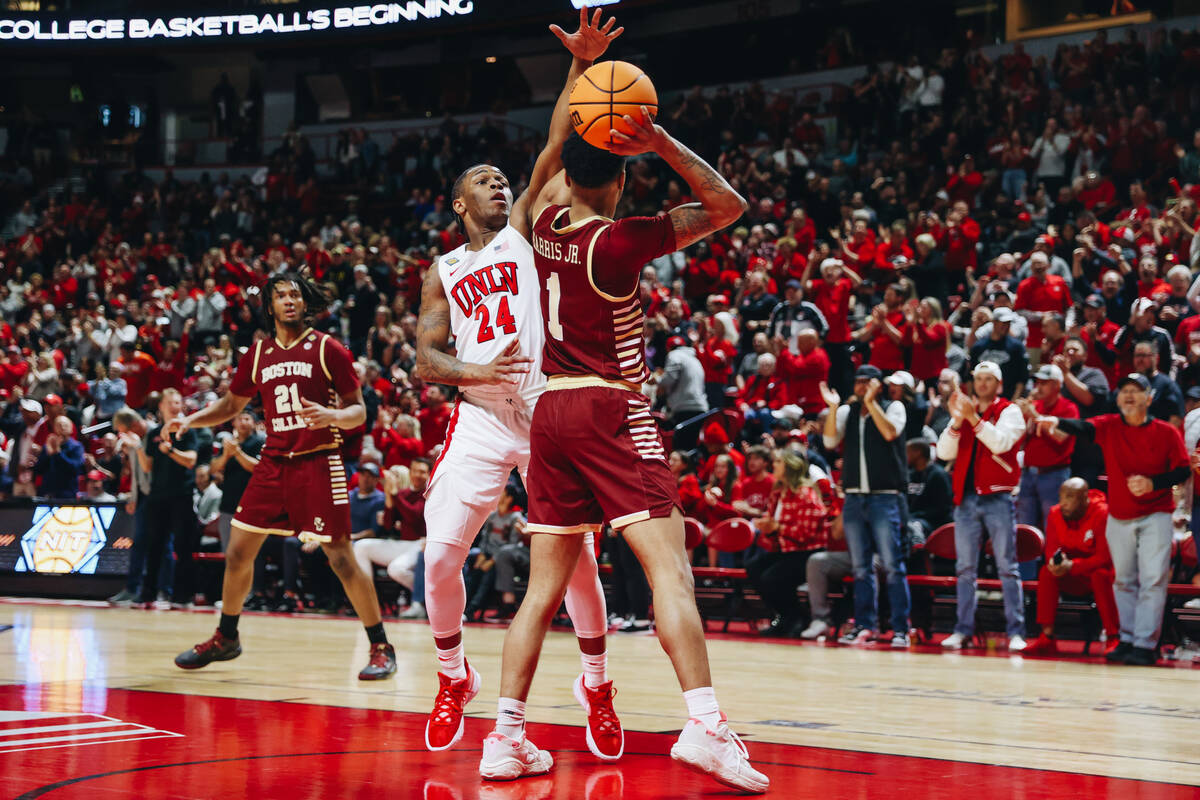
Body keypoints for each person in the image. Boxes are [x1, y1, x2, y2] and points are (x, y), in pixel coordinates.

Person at [489, 104, 766, 790]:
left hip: (549, 409)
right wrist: (663, 142)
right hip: (610, 405)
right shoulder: (620, 241)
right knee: (669, 571)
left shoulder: (540, 222)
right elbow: (728, 205)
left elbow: (549, 159)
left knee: (540, 591)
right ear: (619, 180)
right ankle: (703, 725)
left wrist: (582, 74)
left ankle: (504, 736)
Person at [413, 8, 626, 763]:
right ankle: (451, 675)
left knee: (576, 566)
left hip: (545, 413)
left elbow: (555, 143)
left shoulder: (527, 229)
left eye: (502, 178)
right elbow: (424, 361)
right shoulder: (443, 270)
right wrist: (475, 370)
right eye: (482, 180)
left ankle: (595, 682)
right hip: (478, 416)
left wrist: (582, 66)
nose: (499, 184)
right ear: (457, 204)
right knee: (437, 559)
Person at [169, 271, 397, 681]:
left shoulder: (328, 349)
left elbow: (359, 410)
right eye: (280, 295)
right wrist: (190, 420)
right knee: (238, 552)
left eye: (295, 294)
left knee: (341, 558)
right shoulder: (259, 354)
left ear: (305, 302)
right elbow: (231, 405)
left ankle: (380, 645)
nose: (289, 300)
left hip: (318, 459)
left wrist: (333, 416)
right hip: (274, 461)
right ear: (269, 306)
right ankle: (227, 636)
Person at [1037, 373, 1190, 666]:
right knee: (1123, 581)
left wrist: (1154, 483)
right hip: (1119, 516)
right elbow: (1082, 426)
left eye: (1136, 390)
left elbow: (1182, 471)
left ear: (1150, 397)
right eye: (1124, 391)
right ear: (1117, 399)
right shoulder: (1109, 426)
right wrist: (1055, 421)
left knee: (1152, 580)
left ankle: (1146, 645)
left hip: (1155, 515)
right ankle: (1128, 638)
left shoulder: (1166, 432)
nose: (1129, 396)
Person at [935, 362, 1028, 652]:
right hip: (966, 497)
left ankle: (1016, 632)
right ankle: (962, 630)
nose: (984, 384)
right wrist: (955, 422)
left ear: (999, 384)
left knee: (1007, 567)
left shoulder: (1010, 411)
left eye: (990, 379)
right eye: (979, 379)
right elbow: (943, 452)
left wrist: (972, 419)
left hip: (997, 497)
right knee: (965, 568)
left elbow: (1000, 443)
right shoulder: (965, 413)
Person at [821, 365, 912, 647]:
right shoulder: (848, 412)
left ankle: (900, 628)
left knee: (892, 564)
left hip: (885, 495)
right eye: (858, 382)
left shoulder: (893, 407)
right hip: (854, 497)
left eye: (867, 382)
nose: (861, 387)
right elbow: (829, 440)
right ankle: (864, 625)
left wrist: (872, 403)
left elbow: (889, 433)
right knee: (860, 567)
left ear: (878, 384)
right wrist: (834, 408)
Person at [1022, 478, 1119, 655]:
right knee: (1046, 572)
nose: (1063, 503)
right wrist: (1055, 563)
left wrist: (1072, 565)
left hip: (1097, 574)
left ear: (1084, 498)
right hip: (1071, 574)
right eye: (1061, 497)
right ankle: (1047, 637)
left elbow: (1104, 558)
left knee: (1100, 574)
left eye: (1069, 498)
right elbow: (1051, 550)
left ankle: (1113, 636)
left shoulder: (1103, 514)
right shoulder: (1055, 513)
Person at [748, 447, 831, 637]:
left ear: (790, 467)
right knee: (753, 567)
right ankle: (785, 616)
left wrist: (776, 528)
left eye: (778, 462)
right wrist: (766, 527)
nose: (773, 465)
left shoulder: (805, 493)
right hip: (786, 549)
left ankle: (795, 618)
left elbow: (805, 534)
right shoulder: (778, 492)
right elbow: (772, 522)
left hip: (808, 552)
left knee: (773, 577)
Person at [135, 389, 199, 609]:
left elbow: (191, 460)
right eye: (171, 402)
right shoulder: (154, 432)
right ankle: (148, 593)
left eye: (178, 402)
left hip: (181, 496)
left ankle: (182, 596)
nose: (175, 405)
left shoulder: (187, 431)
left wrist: (171, 451)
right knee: (154, 546)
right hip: (157, 497)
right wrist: (136, 448)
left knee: (182, 547)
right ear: (161, 405)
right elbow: (148, 466)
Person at [1016, 364, 1078, 533]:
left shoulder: (1069, 408)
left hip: (1054, 475)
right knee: (1024, 527)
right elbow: (1019, 440)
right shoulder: (1034, 404)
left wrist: (1035, 416)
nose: (1039, 387)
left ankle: (1051, 560)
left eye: (1044, 383)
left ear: (1057, 385)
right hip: (1028, 474)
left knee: (1053, 525)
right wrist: (1021, 414)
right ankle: (1026, 561)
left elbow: (1061, 437)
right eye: (1037, 382)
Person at [209, 410, 264, 553]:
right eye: (239, 419)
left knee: (250, 555)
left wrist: (238, 454)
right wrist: (226, 455)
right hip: (228, 506)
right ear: (233, 422)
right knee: (228, 553)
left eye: (247, 419)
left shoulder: (260, 441)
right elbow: (213, 468)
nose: (243, 422)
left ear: (254, 423)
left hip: (251, 507)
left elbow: (258, 468)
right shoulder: (229, 444)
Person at [34, 414, 85, 499]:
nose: (62, 427)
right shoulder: (48, 446)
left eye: (65, 425)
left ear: (71, 429)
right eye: (59, 425)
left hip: (67, 494)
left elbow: (75, 468)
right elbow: (39, 470)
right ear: (54, 428)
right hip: (47, 493)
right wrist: (48, 454)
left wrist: (57, 453)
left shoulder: (77, 447)